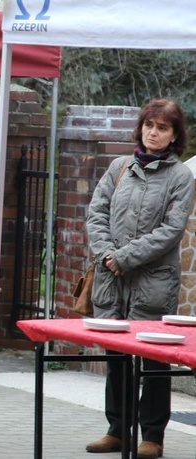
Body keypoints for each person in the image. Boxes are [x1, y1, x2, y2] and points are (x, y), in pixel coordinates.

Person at [84, 99, 194, 459]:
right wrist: (106, 254)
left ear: (175, 134)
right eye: (149, 125)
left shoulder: (180, 177)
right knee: (116, 355)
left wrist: (125, 258)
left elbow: (171, 231)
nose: (153, 132)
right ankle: (117, 429)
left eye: (163, 127)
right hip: (111, 280)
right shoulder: (120, 166)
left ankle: (152, 436)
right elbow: (96, 212)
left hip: (152, 283)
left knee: (154, 360)